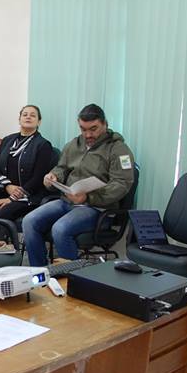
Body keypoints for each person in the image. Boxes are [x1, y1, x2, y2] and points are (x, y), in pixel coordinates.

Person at [22, 104, 136, 266]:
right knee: (29, 221)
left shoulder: (118, 149)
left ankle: (72, 278)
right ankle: (40, 272)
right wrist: (53, 176)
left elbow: (122, 184)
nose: (88, 134)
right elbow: (61, 168)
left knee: (60, 229)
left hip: (97, 208)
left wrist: (89, 197)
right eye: (83, 129)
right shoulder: (74, 145)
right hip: (67, 201)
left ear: (105, 124)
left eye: (93, 129)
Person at [0, 104, 55, 221]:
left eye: (33, 116)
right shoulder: (8, 140)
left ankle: (5, 239)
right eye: (25, 115)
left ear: (39, 122)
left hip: (28, 195)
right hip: (4, 191)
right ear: (19, 119)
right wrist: (7, 186)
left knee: (3, 212)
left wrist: (12, 197)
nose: (28, 117)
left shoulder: (43, 145)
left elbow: (38, 178)